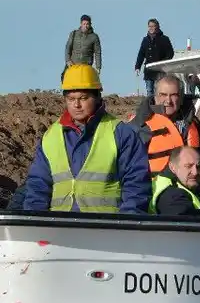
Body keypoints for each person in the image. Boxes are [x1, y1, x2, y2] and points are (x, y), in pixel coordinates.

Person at [24, 64, 150, 213]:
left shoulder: (121, 133)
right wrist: (35, 224)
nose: (76, 105)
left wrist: (125, 227)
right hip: (58, 230)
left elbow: (136, 185)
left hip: (106, 230)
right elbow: (38, 185)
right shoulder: (50, 137)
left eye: (83, 98)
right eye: (71, 99)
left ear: (97, 97)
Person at [129, 74, 200, 175]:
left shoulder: (191, 121)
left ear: (181, 97)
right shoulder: (139, 126)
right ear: (155, 96)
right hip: (156, 188)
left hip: (190, 186)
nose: (168, 101)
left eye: (174, 95)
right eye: (163, 95)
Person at [149, 146, 200, 216]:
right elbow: (186, 225)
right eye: (188, 166)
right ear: (173, 167)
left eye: (198, 166)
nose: (195, 172)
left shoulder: (183, 184)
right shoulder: (173, 197)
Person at [134, 18, 175, 98]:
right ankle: (151, 108)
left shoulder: (164, 39)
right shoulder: (145, 40)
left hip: (160, 70)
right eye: (149, 26)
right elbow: (141, 54)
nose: (151, 28)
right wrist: (137, 67)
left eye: (153, 26)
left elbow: (170, 53)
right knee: (149, 92)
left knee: (159, 91)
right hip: (148, 71)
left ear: (157, 27)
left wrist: (163, 63)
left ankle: (159, 108)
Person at [63, 14, 102, 81]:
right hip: (72, 65)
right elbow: (67, 48)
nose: (85, 26)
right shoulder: (73, 34)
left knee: (95, 85)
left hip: (86, 67)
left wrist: (98, 67)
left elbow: (98, 52)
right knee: (64, 78)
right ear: (81, 24)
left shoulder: (94, 37)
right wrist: (68, 60)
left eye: (87, 24)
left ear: (90, 24)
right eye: (84, 24)